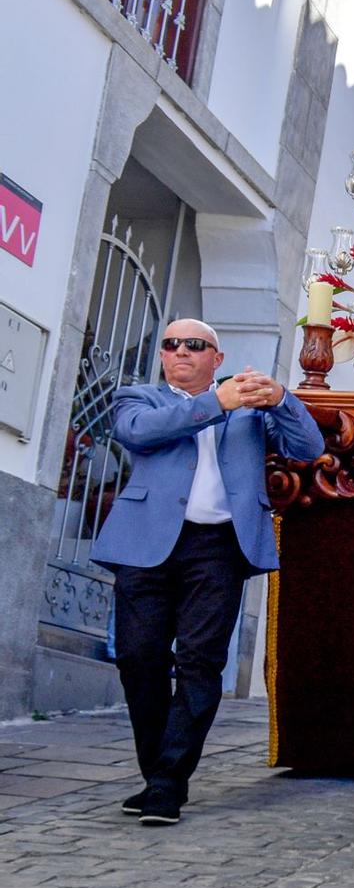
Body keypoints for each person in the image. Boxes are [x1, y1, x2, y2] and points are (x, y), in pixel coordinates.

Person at [94, 319, 326, 825]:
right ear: (162, 356)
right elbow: (139, 434)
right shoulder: (141, 399)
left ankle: (166, 783)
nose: (181, 351)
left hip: (218, 546)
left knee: (200, 662)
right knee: (138, 657)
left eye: (195, 345)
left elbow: (308, 449)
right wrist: (215, 404)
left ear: (216, 359)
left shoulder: (248, 410)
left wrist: (282, 397)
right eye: (171, 344)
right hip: (144, 544)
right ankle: (157, 770)